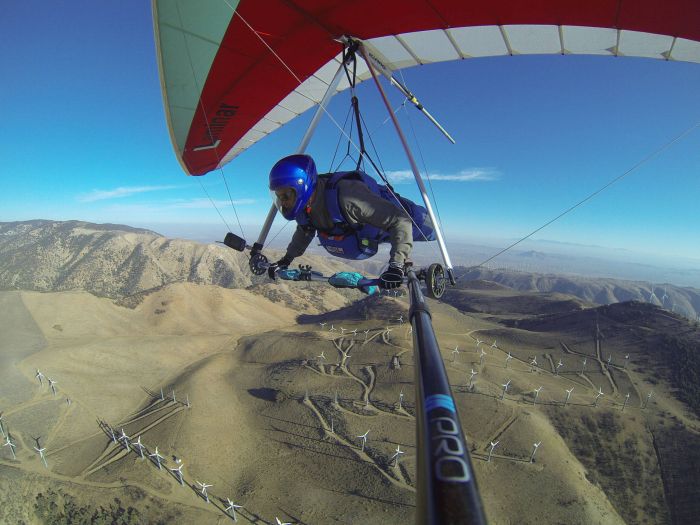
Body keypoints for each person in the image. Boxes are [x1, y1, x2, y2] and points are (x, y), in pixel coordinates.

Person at [267, 154, 435, 289]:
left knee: (430, 229)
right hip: (363, 230)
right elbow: (305, 231)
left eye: (286, 196)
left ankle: (432, 227)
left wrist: (396, 265)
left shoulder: (348, 198)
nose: (283, 203)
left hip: (404, 219)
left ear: (302, 186)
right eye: (279, 197)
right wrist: (286, 260)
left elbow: (400, 220)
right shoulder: (305, 207)